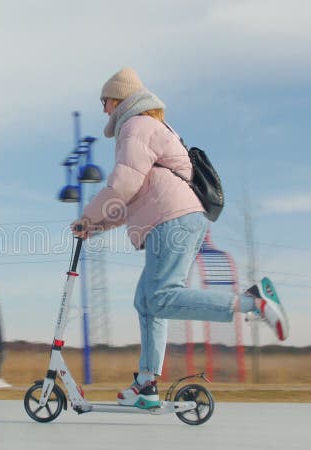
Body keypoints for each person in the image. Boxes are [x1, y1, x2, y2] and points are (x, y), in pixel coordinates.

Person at [72, 67, 290, 409]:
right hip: (174, 217)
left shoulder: (137, 126)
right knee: (147, 301)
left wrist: (87, 215)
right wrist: (94, 226)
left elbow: (122, 184)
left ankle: (254, 301)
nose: (103, 109)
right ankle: (146, 385)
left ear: (121, 98)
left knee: (161, 297)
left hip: (172, 220)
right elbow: (131, 199)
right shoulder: (146, 127)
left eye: (106, 100)